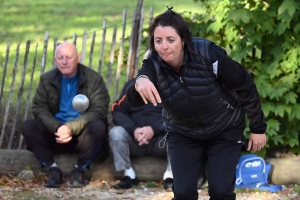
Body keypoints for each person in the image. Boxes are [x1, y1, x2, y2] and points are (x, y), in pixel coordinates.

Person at [126, 7, 267, 200]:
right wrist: (139, 81)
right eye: (158, 41)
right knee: (183, 193)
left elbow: (245, 85)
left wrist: (258, 128)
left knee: (220, 191)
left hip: (225, 129)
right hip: (183, 133)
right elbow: (133, 99)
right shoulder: (152, 64)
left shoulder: (208, 54)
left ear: (183, 40)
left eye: (170, 40)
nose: (164, 47)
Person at [21, 42, 110, 188]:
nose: (64, 61)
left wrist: (70, 127)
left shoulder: (94, 79)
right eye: (60, 57)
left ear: (78, 58)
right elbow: (39, 108)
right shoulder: (46, 80)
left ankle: (79, 169)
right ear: (55, 61)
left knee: (98, 126)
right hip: (55, 134)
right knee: (29, 126)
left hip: (82, 137)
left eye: (68, 57)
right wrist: (57, 128)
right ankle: (53, 169)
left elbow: (98, 110)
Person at [109, 78, 174, 190]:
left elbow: (177, 113)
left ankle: (170, 175)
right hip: (134, 140)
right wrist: (133, 129)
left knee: (178, 134)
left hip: (161, 141)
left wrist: (153, 129)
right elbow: (118, 110)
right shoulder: (131, 85)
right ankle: (128, 174)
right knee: (116, 133)